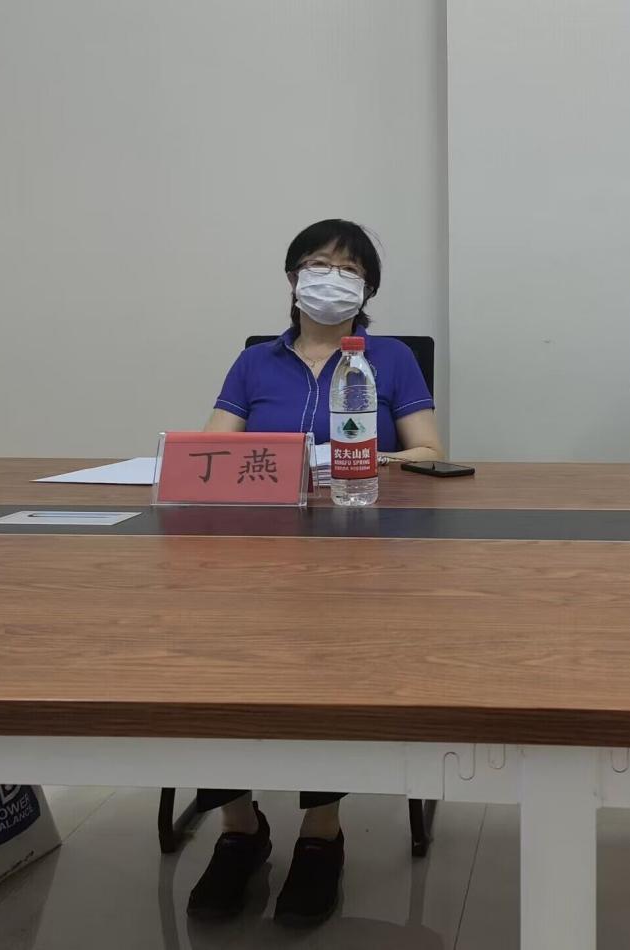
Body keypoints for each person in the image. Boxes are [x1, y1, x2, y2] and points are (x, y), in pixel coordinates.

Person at [190, 219, 443, 926]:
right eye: (316, 263)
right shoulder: (254, 362)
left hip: (356, 550)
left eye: (348, 268)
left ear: (367, 289)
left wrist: (358, 460)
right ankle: (239, 828)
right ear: (292, 278)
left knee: (332, 660)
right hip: (256, 553)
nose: (331, 277)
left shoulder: (389, 359)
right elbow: (212, 452)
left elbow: (428, 451)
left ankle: (321, 835)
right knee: (210, 659)